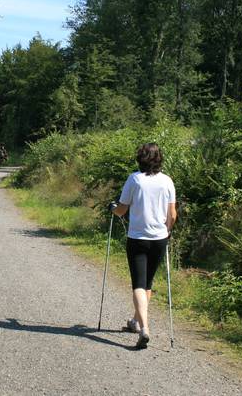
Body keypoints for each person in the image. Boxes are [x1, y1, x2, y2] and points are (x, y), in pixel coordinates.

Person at [109, 143, 177, 349]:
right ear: (159, 159)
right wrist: (167, 230)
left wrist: (113, 208)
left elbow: (121, 210)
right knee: (147, 283)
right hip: (159, 238)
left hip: (138, 238)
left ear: (140, 159)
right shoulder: (167, 181)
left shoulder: (134, 179)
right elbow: (172, 214)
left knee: (138, 284)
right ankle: (136, 321)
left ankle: (144, 328)